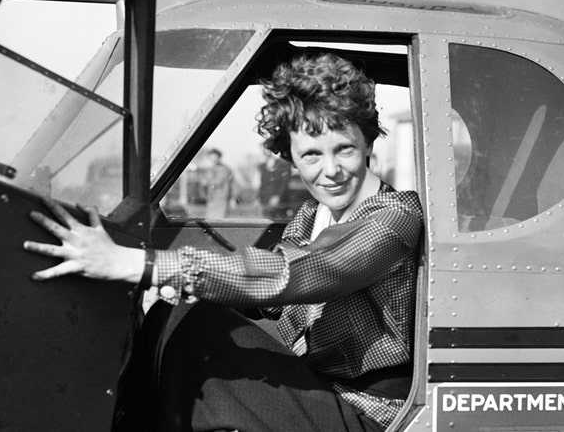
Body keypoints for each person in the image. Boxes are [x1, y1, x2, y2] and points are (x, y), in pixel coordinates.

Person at [24, 53, 423, 431]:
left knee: (199, 327)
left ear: (368, 142)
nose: (331, 170)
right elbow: (267, 299)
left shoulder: (393, 218)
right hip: (323, 391)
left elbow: (294, 273)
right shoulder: (311, 215)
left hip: (368, 414)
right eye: (312, 155)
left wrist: (138, 264)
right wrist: (177, 287)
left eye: (344, 149)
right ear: (291, 157)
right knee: (179, 313)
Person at [257, 150, 293, 218]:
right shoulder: (262, 166)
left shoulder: (283, 164)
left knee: (279, 219)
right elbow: (262, 184)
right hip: (265, 200)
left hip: (279, 200)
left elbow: (284, 183)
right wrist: (259, 198)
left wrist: (277, 196)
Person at [200, 148, 234, 218]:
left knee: (220, 220)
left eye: (214, 157)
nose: (213, 160)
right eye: (211, 158)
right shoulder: (211, 169)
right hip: (211, 198)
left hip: (221, 199)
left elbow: (218, 182)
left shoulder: (225, 169)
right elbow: (204, 185)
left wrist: (208, 180)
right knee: (210, 219)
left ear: (219, 157)